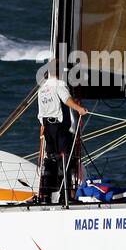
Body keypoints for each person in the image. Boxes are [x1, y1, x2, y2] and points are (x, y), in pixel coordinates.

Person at [36, 69, 87, 203]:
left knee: (50, 159)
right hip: (59, 128)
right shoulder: (59, 84)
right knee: (65, 160)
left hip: (48, 127)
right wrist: (79, 109)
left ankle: (45, 196)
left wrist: (42, 126)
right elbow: (66, 99)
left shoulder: (42, 89)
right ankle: (65, 197)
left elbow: (40, 113)